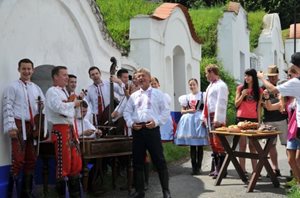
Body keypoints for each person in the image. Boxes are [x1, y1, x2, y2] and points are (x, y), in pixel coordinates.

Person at [123, 68, 171, 198]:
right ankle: (140, 192)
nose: (140, 78)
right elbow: (126, 112)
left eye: (143, 76)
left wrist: (156, 122)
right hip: (138, 131)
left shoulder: (158, 94)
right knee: (138, 162)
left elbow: (166, 111)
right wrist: (131, 124)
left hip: (152, 130)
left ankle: (166, 191)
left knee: (159, 160)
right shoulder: (133, 96)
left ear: (149, 78)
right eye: (138, 76)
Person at [2, 58, 45, 197]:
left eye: (29, 69)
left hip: (32, 127)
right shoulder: (12, 87)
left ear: (33, 70)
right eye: (23, 68)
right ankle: (12, 193)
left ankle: (26, 193)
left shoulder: (36, 88)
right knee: (18, 159)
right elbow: (7, 106)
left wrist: (40, 124)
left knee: (32, 159)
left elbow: (41, 109)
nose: (26, 71)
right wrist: (11, 127)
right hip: (19, 125)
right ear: (19, 70)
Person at [257, 52, 300, 186]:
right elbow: (270, 107)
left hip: (292, 126)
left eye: (291, 73)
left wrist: (262, 78)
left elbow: (275, 90)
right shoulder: (289, 97)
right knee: (291, 159)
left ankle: (297, 183)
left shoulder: (296, 83)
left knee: (296, 159)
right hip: (294, 128)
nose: (289, 77)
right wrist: (268, 98)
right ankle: (298, 182)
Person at [45, 66, 82, 197]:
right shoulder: (52, 91)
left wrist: (75, 104)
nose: (67, 77)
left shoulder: (64, 92)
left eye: (67, 75)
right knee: (63, 163)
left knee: (76, 162)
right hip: (60, 129)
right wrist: (73, 104)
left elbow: (73, 113)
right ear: (56, 77)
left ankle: (75, 194)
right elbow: (57, 107)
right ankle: (63, 194)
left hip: (70, 129)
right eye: (64, 75)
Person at [174, 78, 208, 175]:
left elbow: (206, 108)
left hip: (199, 120)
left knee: (200, 145)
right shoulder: (186, 97)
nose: (192, 86)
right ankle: (194, 168)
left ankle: (199, 166)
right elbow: (182, 111)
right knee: (192, 145)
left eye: (193, 84)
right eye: (190, 85)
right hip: (189, 122)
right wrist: (189, 111)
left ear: (197, 85)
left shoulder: (203, 95)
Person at [235, 69, 263, 175]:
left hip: (253, 120)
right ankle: (242, 170)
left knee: (253, 146)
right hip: (241, 119)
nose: (247, 78)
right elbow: (236, 104)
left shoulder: (259, 90)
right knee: (242, 145)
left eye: (249, 76)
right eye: (245, 75)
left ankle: (256, 172)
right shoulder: (240, 88)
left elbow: (259, 107)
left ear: (253, 77)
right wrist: (242, 95)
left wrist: (259, 121)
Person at [261, 65, 288, 177]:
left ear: (278, 76)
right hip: (268, 120)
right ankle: (275, 168)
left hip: (282, 120)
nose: (272, 78)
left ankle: (293, 168)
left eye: (274, 76)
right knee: (271, 146)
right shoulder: (263, 87)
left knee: (288, 145)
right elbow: (263, 105)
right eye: (270, 77)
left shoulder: (282, 85)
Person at [203, 64, 228, 179]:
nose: (205, 75)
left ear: (211, 72)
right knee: (212, 143)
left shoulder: (221, 85)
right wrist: (204, 116)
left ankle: (222, 169)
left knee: (218, 142)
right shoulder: (211, 85)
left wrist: (218, 119)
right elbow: (207, 103)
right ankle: (216, 168)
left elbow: (221, 102)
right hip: (209, 116)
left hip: (216, 116)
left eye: (206, 73)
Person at [151, 77, 174, 141]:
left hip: (163, 116)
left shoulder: (164, 95)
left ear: (158, 84)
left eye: (155, 84)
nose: (153, 85)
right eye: (151, 84)